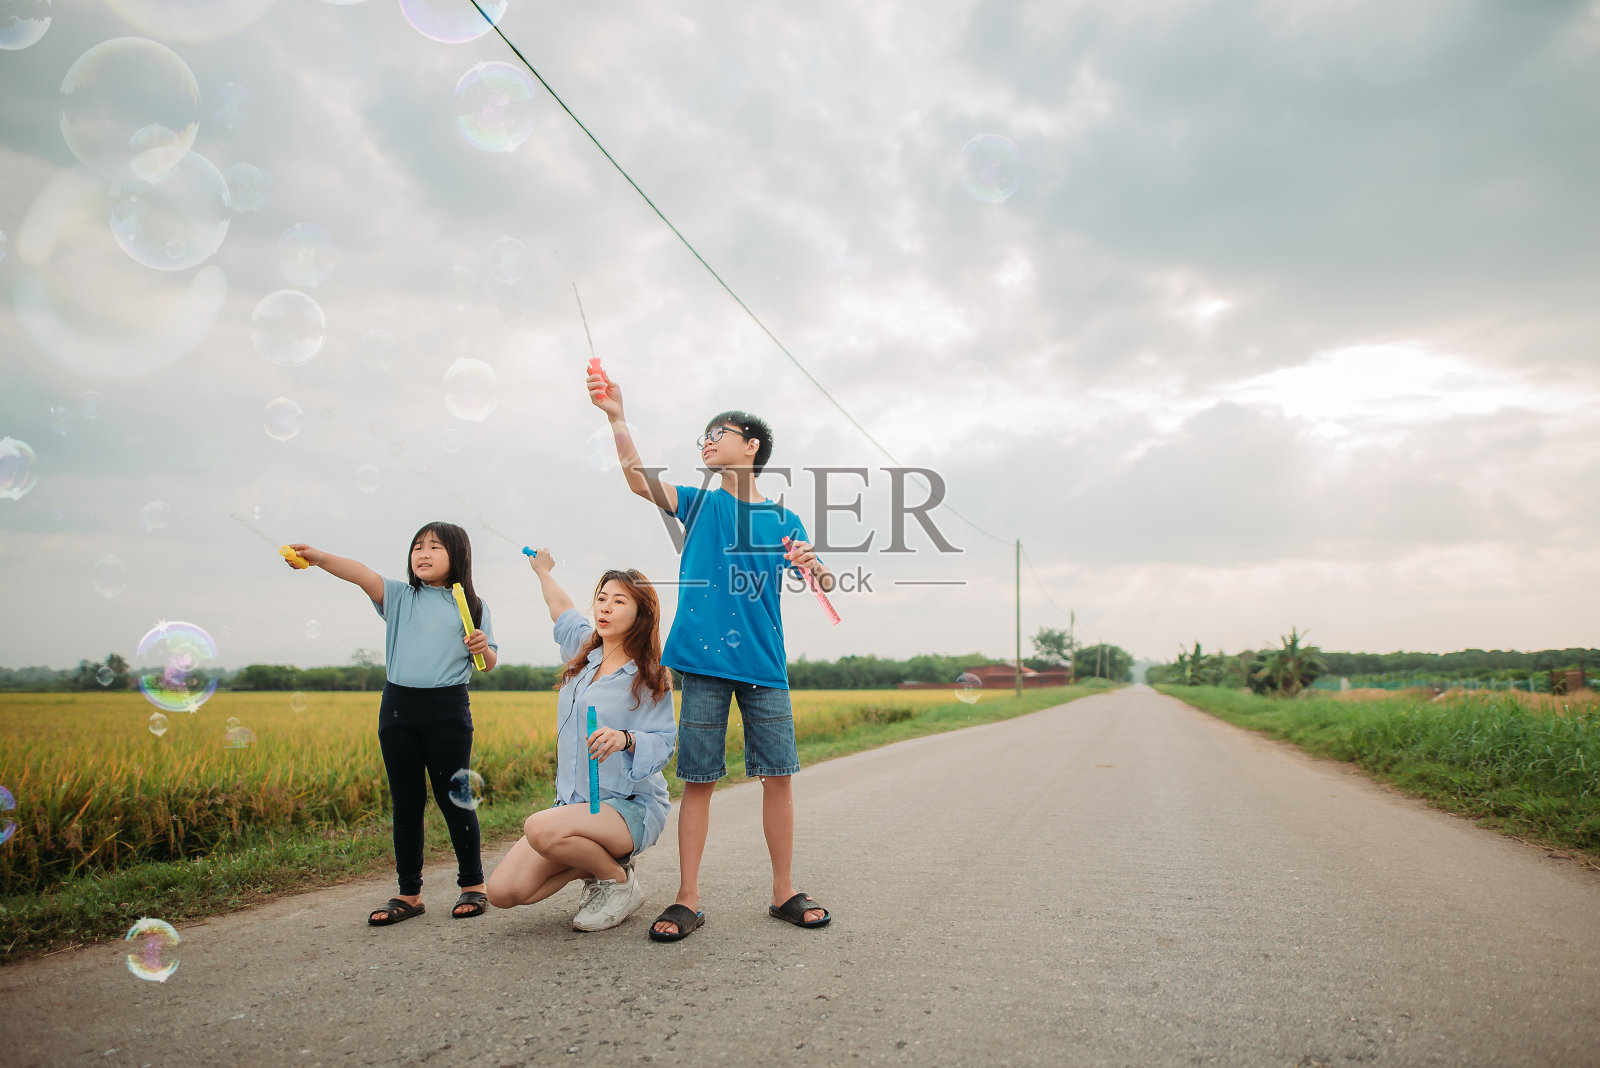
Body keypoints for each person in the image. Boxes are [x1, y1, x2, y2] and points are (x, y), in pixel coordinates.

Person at [586, 369, 833, 941]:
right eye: (704, 436)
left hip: (765, 666)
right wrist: (617, 417)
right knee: (698, 780)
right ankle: (687, 898)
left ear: (751, 447)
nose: (707, 440)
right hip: (702, 665)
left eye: (719, 432)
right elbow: (634, 480)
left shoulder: (784, 520)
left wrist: (811, 565)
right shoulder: (698, 504)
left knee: (779, 778)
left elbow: (819, 577)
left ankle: (784, 892)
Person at [285, 522, 498, 925]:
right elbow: (361, 573)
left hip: (448, 707)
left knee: (455, 797)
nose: (423, 553)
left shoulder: (471, 605)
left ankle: (473, 885)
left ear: (458, 556)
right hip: (398, 705)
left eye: (434, 547)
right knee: (406, 802)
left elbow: (487, 666)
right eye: (418, 546)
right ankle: (409, 893)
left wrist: (483, 648)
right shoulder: (400, 596)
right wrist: (319, 557)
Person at [485, 551, 676, 931]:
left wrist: (626, 739)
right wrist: (543, 571)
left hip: (629, 807)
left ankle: (618, 883)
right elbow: (561, 608)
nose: (604, 607)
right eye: (602, 598)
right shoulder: (583, 648)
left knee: (538, 828)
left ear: (641, 615)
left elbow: (666, 741)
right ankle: (598, 866)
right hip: (575, 806)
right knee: (503, 892)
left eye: (619, 601)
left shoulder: (650, 676)